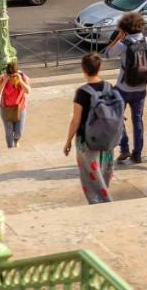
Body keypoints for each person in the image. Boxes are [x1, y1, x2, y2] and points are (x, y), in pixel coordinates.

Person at [105, 12, 147, 164]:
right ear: (141, 26)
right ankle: (137, 153)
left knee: (118, 118)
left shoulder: (124, 44)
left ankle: (124, 148)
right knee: (137, 120)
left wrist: (119, 37)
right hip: (141, 88)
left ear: (125, 28)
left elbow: (107, 54)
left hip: (123, 88)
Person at [63, 52, 120, 204]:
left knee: (90, 175)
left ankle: (101, 202)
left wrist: (68, 141)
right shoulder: (109, 87)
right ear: (99, 67)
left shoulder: (82, 92)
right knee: (104, 171)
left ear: (83, 69)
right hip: (107, 137)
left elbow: (76, 120)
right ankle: (104, 197)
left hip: (87, 140)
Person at [0, 61, 30, 148]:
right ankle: (10, 148)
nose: (12, 77)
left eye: (14, 75)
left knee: (19, 132)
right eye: (10, 76)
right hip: (6, 108)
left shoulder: (22, 77)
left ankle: (16, 140)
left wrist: (20, 81)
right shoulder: (4, 78)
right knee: (9, 131)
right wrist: (5, 81)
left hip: (20, 108)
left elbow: (28, 91)